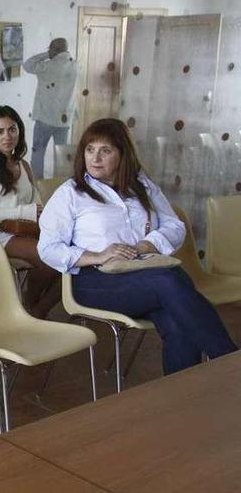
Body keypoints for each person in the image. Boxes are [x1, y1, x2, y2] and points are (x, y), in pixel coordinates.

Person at [37, 118, 237, 375]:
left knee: (177, 323)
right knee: (169, 281)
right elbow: (48, 248)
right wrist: (96, 255)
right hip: (93, 281)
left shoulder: (141, 186)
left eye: (105, 151)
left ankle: (182, 402)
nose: (95, 158)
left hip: (141, 275)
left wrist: (147, 244)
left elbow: (175, 226)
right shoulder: (71, 193)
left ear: (123, 155)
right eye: (89, 149)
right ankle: (230, 362)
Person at [0, 106, 59, 319]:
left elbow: (37, 206)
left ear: (20, 132)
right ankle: (30, 305)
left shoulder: (23, 165)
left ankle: (36, 310)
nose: (7, 136)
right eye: (0, 131)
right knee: (46, 257)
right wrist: (22, 211)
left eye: (12, 130)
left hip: (26, 231)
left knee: (70, 257)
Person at [22, 38, 78, 178]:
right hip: (64, 121)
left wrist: (47, 55)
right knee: (63, 156)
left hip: (44, 119)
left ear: (53, 49)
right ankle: (62, 187)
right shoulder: (76, 66)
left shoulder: (47, 66)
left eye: (50, 49)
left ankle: (37, 184)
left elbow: (27, 65)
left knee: (38, 154)